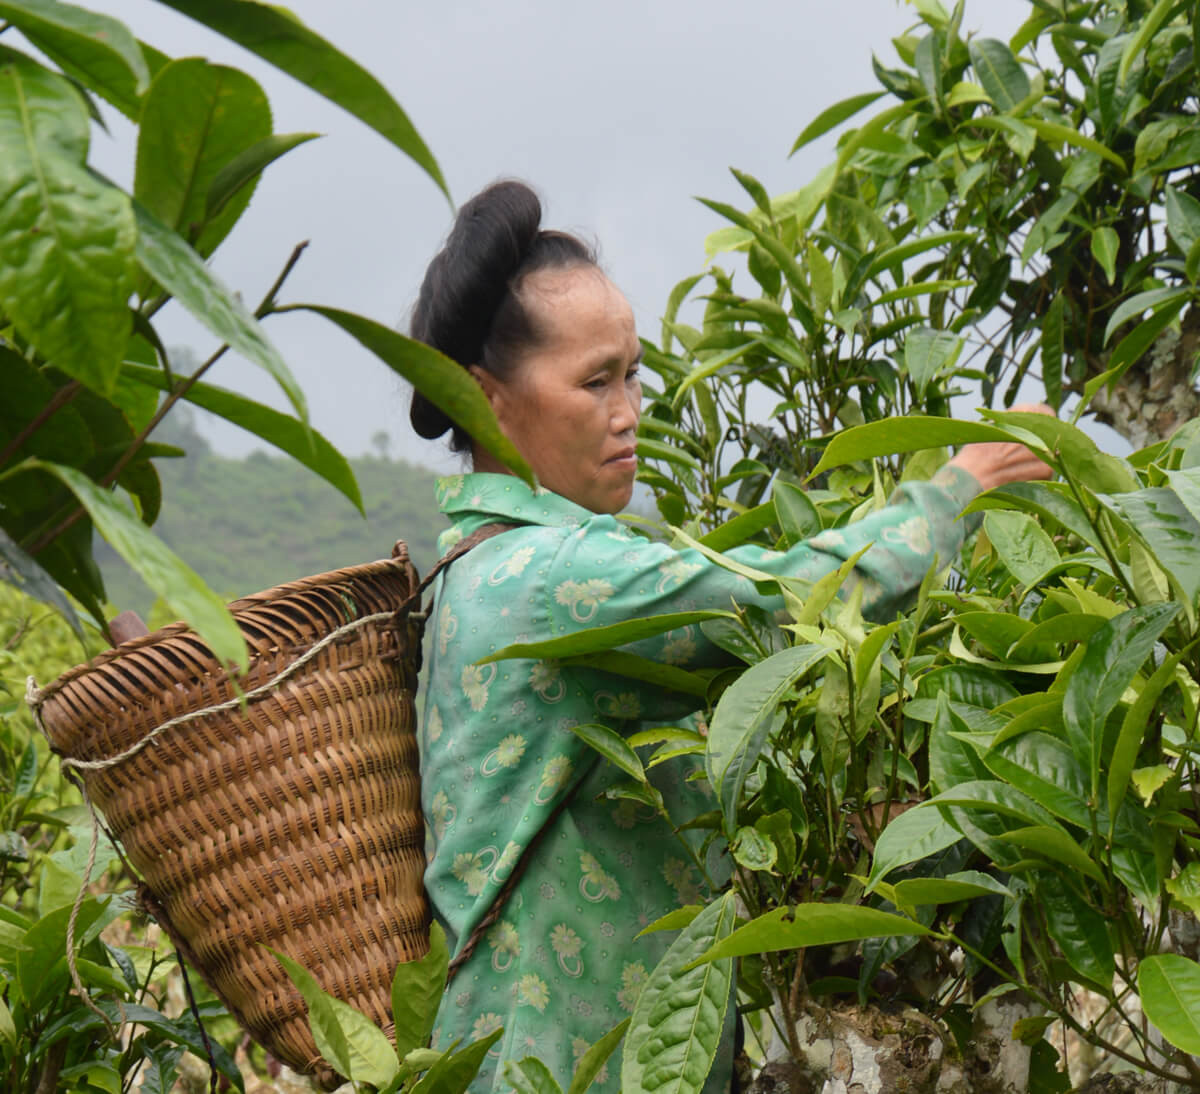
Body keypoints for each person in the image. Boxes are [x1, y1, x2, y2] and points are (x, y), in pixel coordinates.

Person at [408, 179, 1051, 1092]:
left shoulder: (491, 567)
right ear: (485, 401)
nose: (629, 410)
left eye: (632, 373)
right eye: (594, 381)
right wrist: (957, 488)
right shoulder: (543, 582)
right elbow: (796, 598)